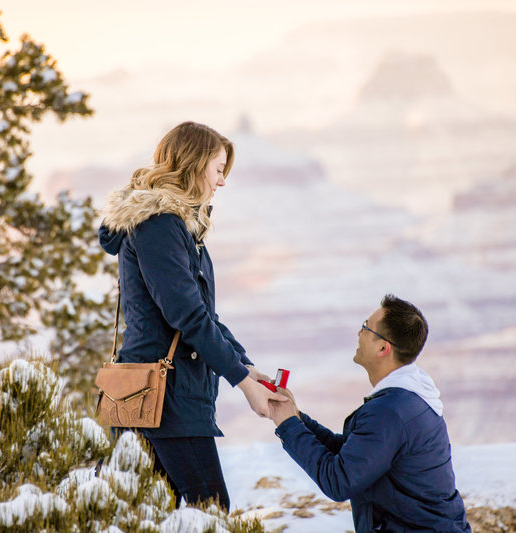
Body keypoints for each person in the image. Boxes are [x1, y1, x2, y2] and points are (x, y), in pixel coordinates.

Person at [98, 121, 284, 511]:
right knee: (210, 510)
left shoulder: (176, 225)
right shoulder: (160, 224)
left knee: (144, 514)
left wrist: (245, 366)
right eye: (218, 169)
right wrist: (242, 383)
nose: (221, 182)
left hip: (157, 394)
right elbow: (187, 315)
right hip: (165, 399)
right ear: (195, 165)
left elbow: (203, 315)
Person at [268, 294, 471, 532]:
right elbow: (352, 455)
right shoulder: (408, 399)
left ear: (383, 348)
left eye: (366, 327)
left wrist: (288, 425)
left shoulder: (390, 412)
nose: (359, 332)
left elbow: (338, 481)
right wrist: (297, 418)